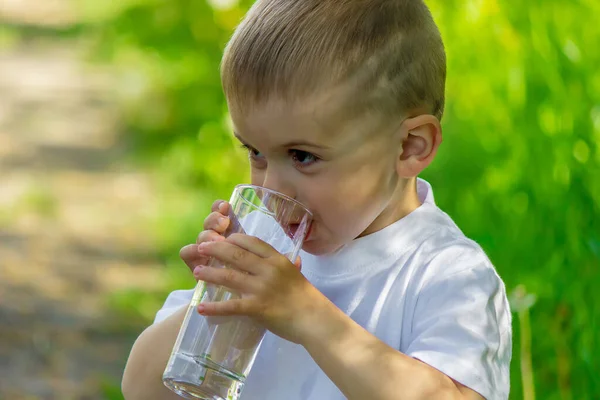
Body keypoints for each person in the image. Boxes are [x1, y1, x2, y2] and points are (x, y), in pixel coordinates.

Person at [121, 0, 512, 399]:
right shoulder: (266, 250)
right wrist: (212, 313)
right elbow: (140, 389)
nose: (272, 189)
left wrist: (308, 314)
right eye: (255, 152)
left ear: (409, 147)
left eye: (303, 156)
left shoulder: (447, 276)